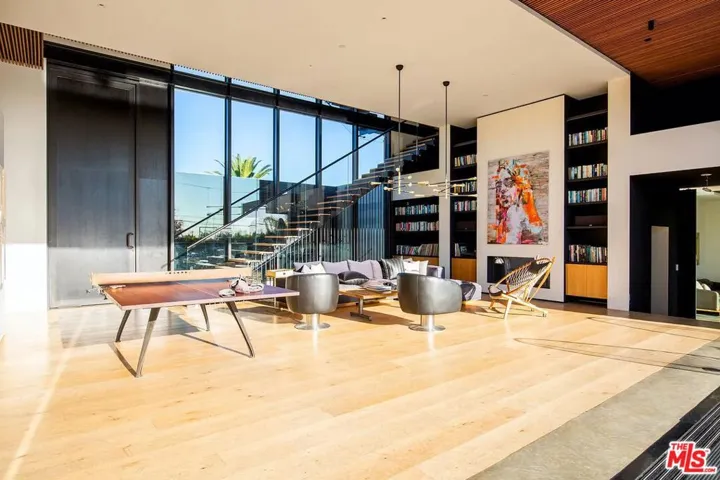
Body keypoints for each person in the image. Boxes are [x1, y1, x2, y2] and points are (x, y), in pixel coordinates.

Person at [491, 158, 544, 244]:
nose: (502, 190)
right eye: (498, 185)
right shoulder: (506, 214)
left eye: (508, 182)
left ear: (521, 186)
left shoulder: (516, 213)